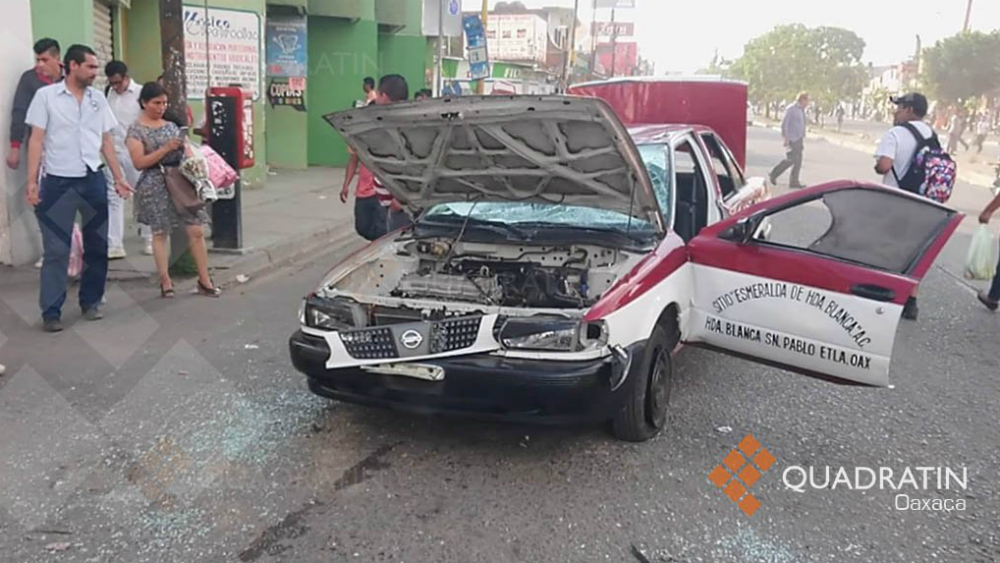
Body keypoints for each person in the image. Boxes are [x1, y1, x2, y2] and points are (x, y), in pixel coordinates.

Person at [24, 44, 133, 332]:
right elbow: (36, 140)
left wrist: (119, 177)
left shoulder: (98, 99)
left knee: (97, 245)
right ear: (73, 66)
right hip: (58, 182)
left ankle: (91, 301)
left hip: (92, 179)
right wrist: (32, 181)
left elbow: (106, 141)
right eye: (91, 67)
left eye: (97, 67)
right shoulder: (46, 97)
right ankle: (51, 310)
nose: (96, 73)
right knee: (57, 249)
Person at [126, 82, 220, 300]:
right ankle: (165, 280)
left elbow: (187, 147)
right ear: (144, 103)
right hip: (155, 181)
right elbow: (139, 162)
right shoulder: (136, 130)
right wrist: (165, 149)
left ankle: (205, 279)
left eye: (164, 103)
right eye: (156, 103)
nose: (161, 107)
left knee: (195, 230)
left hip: (180, 179)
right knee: (160, 232)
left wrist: (187, 152)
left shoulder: (172, 124)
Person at [873, 92, 936, 321]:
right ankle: (911, 302)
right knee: (913, 252)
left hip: (896, 200)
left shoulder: (895, 134)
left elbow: (884, 165)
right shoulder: (931, 133)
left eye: (899, 106)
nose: (895, 110)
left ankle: (886, 296)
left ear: (909, 109)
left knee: (886, 248)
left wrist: (879, 166)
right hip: (923, 202)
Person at [8, 38, 62, 269]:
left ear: (57, 59)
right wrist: (15, 146)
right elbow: (19, 111)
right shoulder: (29, 80)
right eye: (37, 59)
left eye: (44, 59)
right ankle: (49, 248)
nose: (39, 64)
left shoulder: (72, 76)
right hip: (39, 148)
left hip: (68, 149)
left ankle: (72, 246)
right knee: (41, 198)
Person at [104, 60, 151, 258]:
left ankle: (149, 237)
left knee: (142, 194)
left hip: (136, 151)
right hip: (113, 152)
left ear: (126, 77)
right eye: (112, 83)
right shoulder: (107, 94)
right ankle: (115, 243)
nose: (116, 86)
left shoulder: (141, 94)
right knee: (114, 196)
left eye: (118, 82)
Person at [373, 74, 414, 233]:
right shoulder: (388, 122)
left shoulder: (403, 126)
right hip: (391, 206)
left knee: (399, 251)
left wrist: (399, 203)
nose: (376, 99)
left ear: (384, 96)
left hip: (400, 209)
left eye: (378, 94)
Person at [768, 92, 809, 189]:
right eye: (807, 100)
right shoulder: (792, 109)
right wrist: (786, 137)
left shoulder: (801, 110)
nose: (808, 103)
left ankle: (794, 181)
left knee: (798, 161)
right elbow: (785, 124)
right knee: (791, 160)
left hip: (799, 138)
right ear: (802, 100)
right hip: (792, 138)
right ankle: (774, 173)